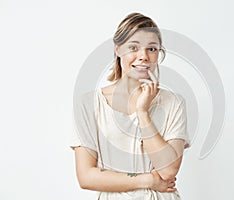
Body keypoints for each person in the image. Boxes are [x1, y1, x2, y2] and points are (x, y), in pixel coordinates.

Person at [71, 12, 190, 200]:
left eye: (152, 49)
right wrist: (148, 180)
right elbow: (86, 177)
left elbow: (168, 171)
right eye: (133, 47)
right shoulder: (89, 104)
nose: (143, 56)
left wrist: (143, 112)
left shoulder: (173, 103)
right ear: (118, 49)